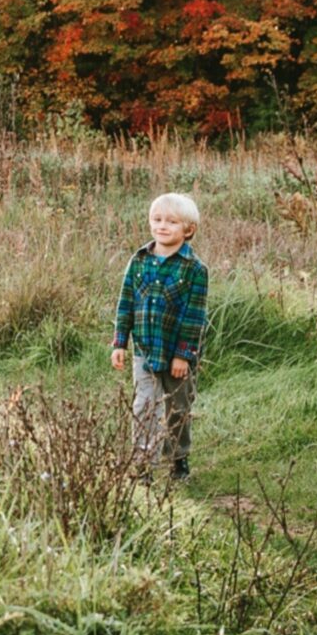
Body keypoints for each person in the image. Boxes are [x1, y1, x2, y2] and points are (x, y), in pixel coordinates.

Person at [110, 192, 211, 480]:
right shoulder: (139, 260)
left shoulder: (194, 269)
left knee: (178, 407)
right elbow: (126, 302)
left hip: (177, 353)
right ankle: (143, 464)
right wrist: (120, 343)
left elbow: (195, 316)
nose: (162, 226)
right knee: (144, 406)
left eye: (171, 221)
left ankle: (179, 457)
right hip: (144, 349)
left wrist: (183, 354)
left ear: (188, 229)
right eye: (157, 220)